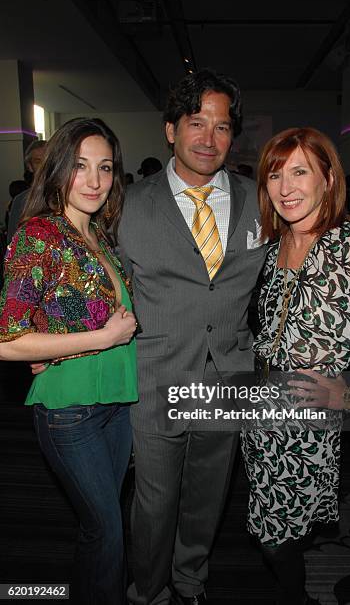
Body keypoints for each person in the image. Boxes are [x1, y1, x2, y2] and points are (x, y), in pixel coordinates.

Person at [241, 127, 350, 605]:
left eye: (300, 172)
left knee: (276, 541)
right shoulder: (277, 249)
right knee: (271, 531)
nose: (286, 187)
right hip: (261, 415)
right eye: (275, 175)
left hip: (303, 427)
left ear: (328, 179)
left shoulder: (348, 248)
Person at [119, 69, 267, 604]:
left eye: (222, 127)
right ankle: (149, 590)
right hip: (157, 378)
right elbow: (104, 290)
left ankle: (191, 579)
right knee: (154, 503)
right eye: (196, 123)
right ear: (170, 130)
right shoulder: (129, 204)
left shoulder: (261, 202)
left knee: (208, 497)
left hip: (227, 377)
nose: (209, 138)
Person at [0, 117, 138, 605]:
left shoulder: (99, 235)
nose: (95, 181)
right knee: (107, 529)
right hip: (70, 411)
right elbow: (6, 340)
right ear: (59, 169)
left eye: (105, 168)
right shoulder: (40, 234)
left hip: (116, 405)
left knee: (98, 530)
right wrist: (100, 337)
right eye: (81, 167)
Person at [7, 139, 47, 243]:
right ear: (30, 166)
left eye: (47, 160)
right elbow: (12, 242)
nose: (43, 165)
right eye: (38, 161)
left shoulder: (70, 196)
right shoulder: (21, 201)